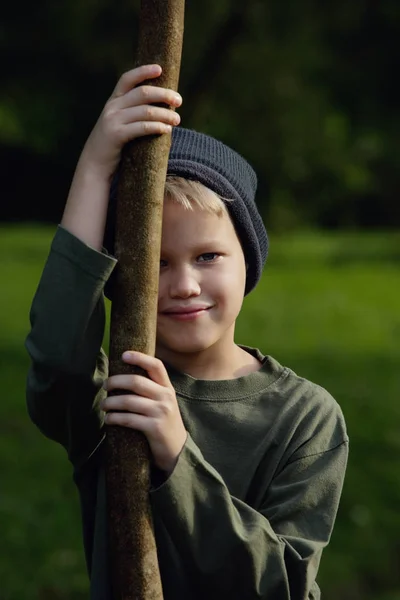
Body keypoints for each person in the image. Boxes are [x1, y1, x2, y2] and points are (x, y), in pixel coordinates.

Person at [25, 64, 348, 600]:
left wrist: (178, 456)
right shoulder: (119, 398)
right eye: (155, 262)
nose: (183, 284)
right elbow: (57, 359)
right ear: (117, 274)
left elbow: (280, 587)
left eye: (207, 256)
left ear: (249, 262)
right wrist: (93, 170)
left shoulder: (305, 418)